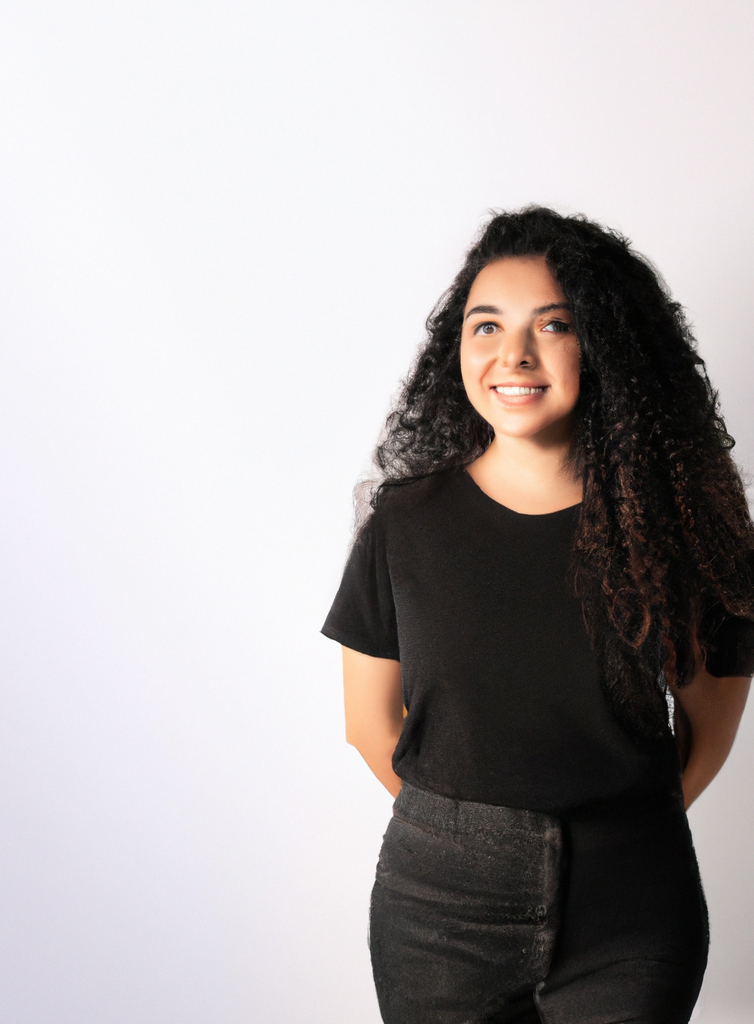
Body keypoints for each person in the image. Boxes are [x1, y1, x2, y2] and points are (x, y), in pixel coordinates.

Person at [321, 207, 754, 1023]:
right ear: (458, 347)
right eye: (487, 325)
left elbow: (711, 724)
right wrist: (475, 841)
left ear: (604, 345)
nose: (512, 354)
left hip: (632, 909)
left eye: (552, 325)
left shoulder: (683, 531)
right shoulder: (403, 523)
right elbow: (367, 723)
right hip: (437, 914)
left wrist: (610, 837)